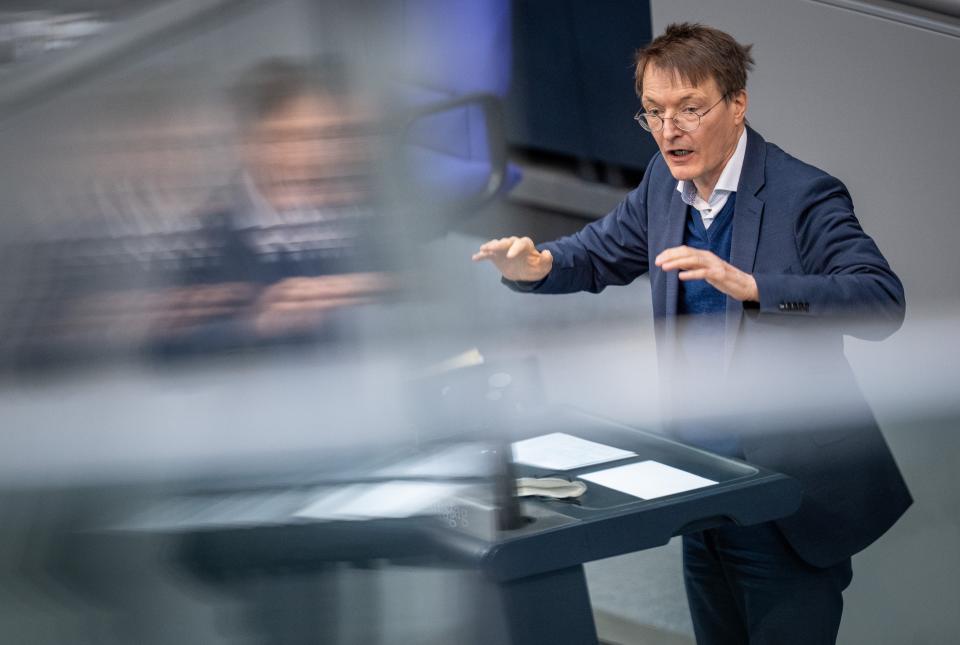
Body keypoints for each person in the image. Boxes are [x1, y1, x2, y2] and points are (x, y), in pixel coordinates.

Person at [472, 23, 911, 645]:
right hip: (699, 483)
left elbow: (880, 300)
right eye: (653, 112)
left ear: (737, 105)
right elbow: (601, 251)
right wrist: (538, 266)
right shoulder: (663, 183)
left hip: (785, 493)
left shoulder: (803, 194)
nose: (669, 129)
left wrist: (753, 285)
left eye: (688, 109)